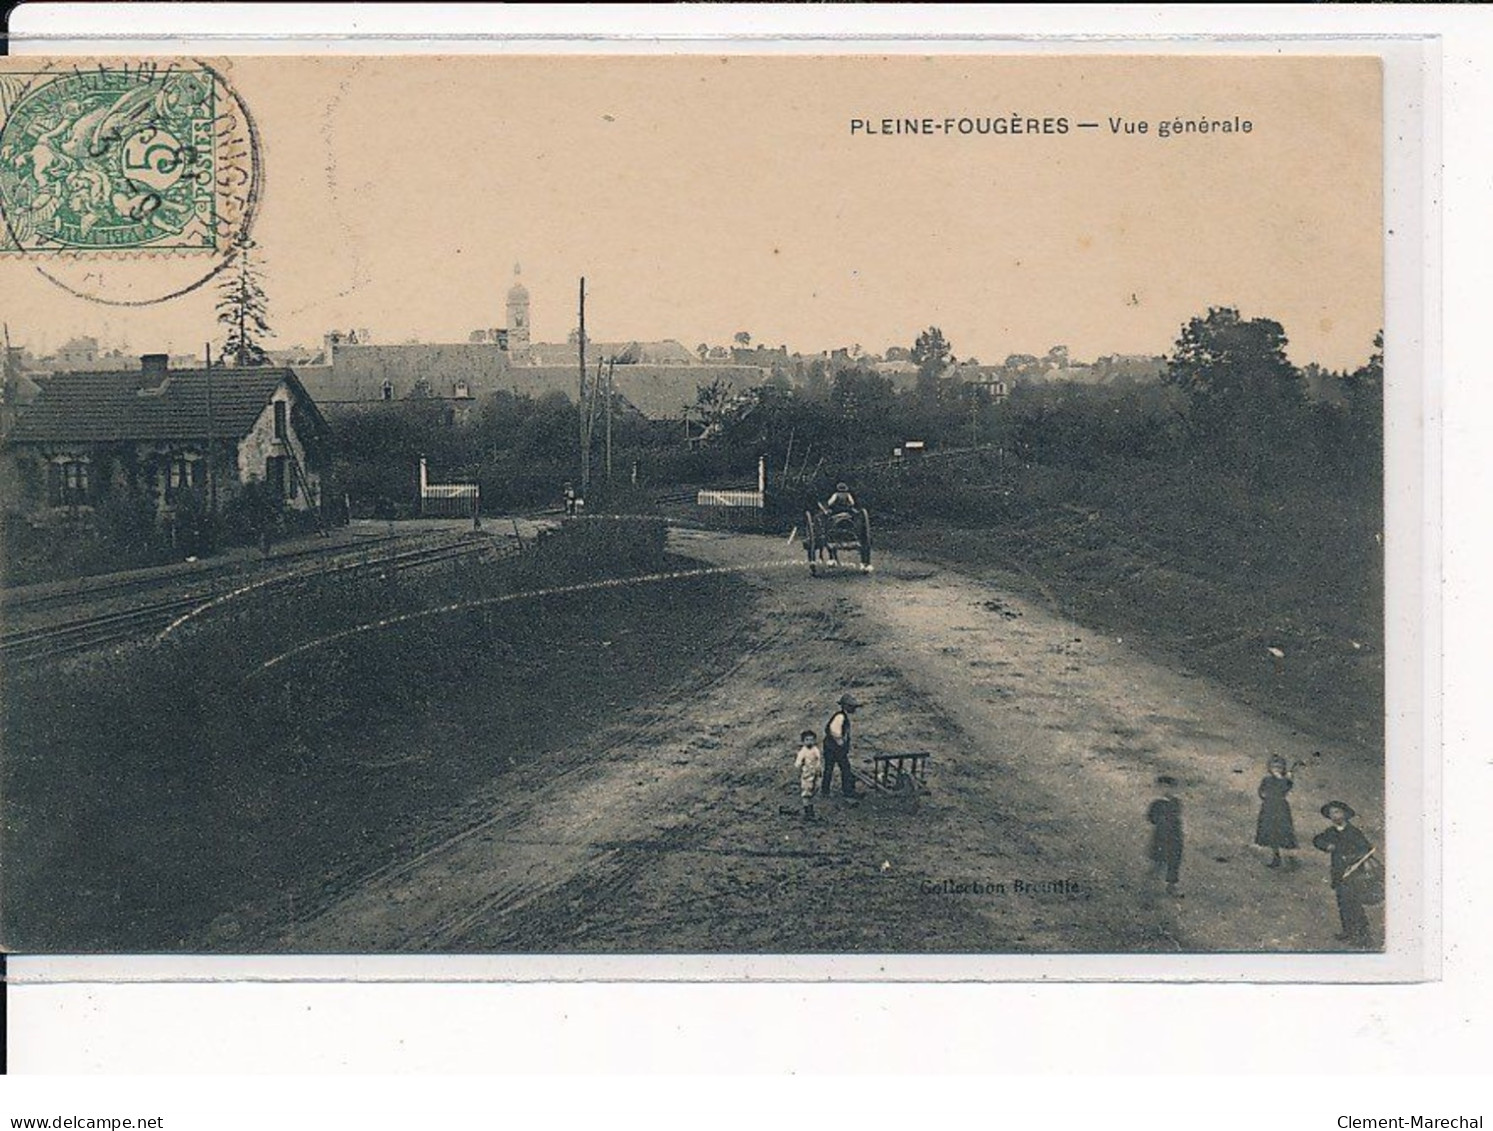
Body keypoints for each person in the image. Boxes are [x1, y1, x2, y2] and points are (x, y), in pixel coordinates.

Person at [1312, 801, 1374, 947]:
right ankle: (1348, 931)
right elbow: (1317, 840)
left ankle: (1363, 936)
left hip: (1354, 873)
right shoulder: (1330, 832)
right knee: (1343, 904)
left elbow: (1367, 848)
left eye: (1338, 812)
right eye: (1332, 813)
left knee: (1355, 904)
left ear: (1345, 814)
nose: (1335, 815)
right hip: (1339, 873)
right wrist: (1327, 845)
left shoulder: (1354, 832)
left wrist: (1362, 860)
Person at [1254, 755, 1300, 868]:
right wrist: (1264, 796)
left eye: (1279, 767)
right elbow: (1261, 791)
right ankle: (1276, 856)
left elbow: (1285, 789)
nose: (1276, 769)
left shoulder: (1285, 780)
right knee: (1270, 831)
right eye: (1274, 767)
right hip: (1269, 808)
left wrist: (1287, 779)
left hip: (1280, 808)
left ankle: (1289, 856)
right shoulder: (1267, 779)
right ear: (1269, 768)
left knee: (1283, 830)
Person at [1147, 775, 1184, 898]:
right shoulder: (1157, 803)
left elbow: (1177, 818)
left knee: (1173, 862)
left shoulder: (1176, 802)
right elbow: (1150, 818)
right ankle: (1150, 884)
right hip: (1161, 836)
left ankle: (1171, 886)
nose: (1166, 790)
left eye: (1170, 787)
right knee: (1159, 861)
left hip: (1175, 836)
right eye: (1163, 787)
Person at [821, 693, 862, 800]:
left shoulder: (843, 716)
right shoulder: (840, 716)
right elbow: (834, 730)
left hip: (833, 748)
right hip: (833, 749)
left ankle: (827, 791)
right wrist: (840, 742)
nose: (853, 709)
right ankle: (847, 792)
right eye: (851, 706)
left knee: (833, 769)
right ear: (845, 706)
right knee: (843, 768)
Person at [794, 730, 823, 821]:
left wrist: (819, 771)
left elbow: (818, 760)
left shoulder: (815, 750)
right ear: (803, 741)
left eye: (811, 740)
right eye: (807, 740)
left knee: (814, 790)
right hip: (807, 775)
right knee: (806, 792)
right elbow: (798, 764)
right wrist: (801, 769)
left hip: (816, 774)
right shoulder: (803, 752)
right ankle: (808, 812)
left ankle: (811, 808)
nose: (809, 742)